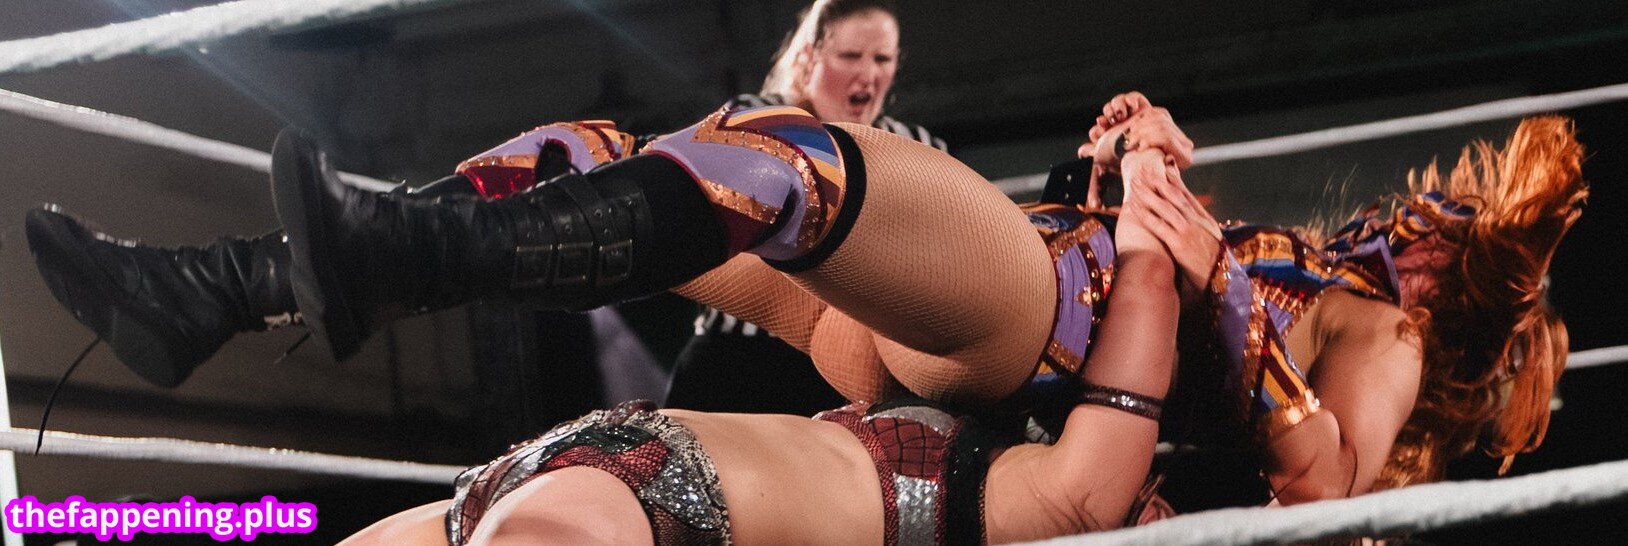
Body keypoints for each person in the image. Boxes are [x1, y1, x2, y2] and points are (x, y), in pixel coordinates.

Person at [30, 93, 1582, 532]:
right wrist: (1132, 170)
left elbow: (1325, 486)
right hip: (940, 355)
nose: (1422, 218)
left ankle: (377, 265)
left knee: (800, 169)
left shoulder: (1387, 341)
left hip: (1037, 337)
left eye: (1455, 230)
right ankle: (218, 287)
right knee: (643, 154)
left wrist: (1189, 264)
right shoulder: (1334, 277)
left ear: (1477, 308)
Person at [667, 0, 949, 416]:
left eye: (882, 59)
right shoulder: (755, 120)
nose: (868, 74)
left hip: (857, 368)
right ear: (808, 58)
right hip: (739, 361)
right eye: (850, 55)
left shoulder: (917, 148)